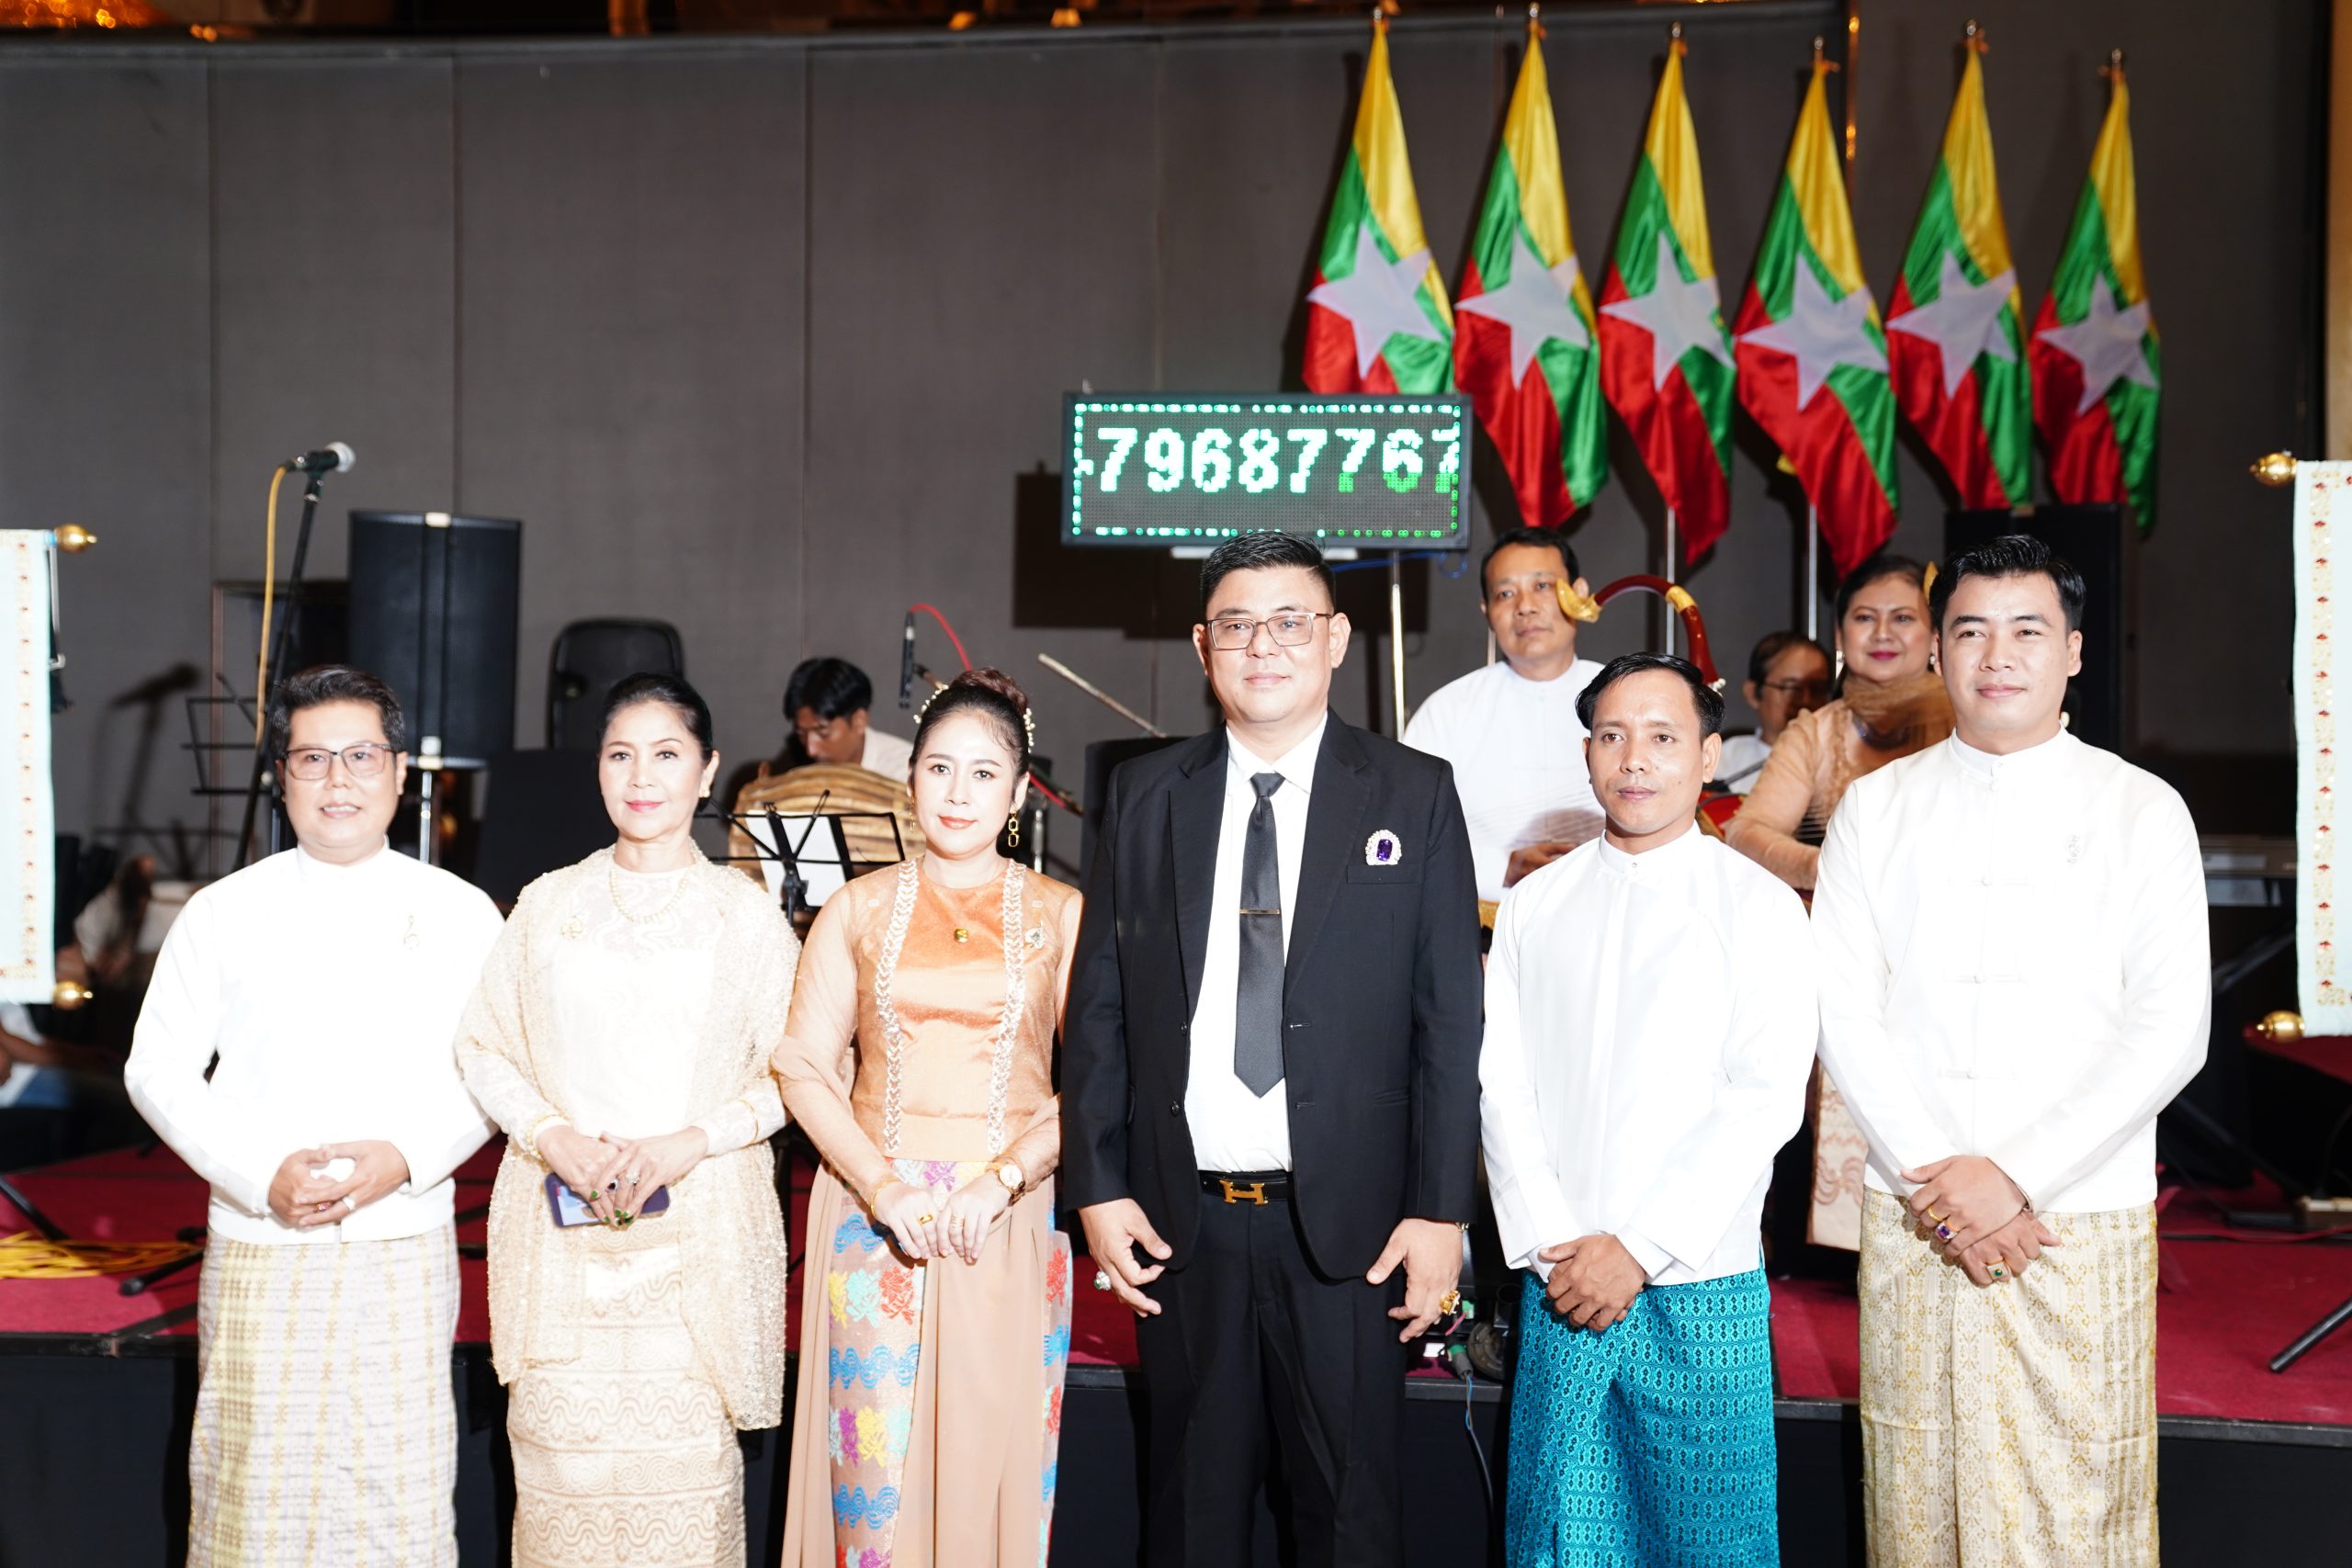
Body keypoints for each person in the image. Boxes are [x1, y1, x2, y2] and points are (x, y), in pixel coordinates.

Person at [1063, 532, 1483, 1568]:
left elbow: (1448, 1020)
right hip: (1182, 1223)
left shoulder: (1414, 791)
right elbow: (1100, 1004)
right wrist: (1098, 1186)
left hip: (1351, 1233)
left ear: (1336, 639)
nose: (1264, 646)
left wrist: (1441, 1211)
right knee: (1191, 1520)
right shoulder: (1145, 793)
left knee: (1350, 1522)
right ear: (1202, 646)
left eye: (1290, 622)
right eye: (1238, 625)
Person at [1814, 536, 2208, 1567]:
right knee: (1919, 1499)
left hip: (2073, 1213)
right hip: (1919, 1210)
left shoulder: (2140, 808)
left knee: (2077, 1506)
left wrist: (2016, 1176)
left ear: (2072, 650)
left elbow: (2172, 1027)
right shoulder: (1875, 808)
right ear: (1937, 651)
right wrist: (1941, 1182)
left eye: (2027, 630)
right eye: (1970, 631)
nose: (1997, 656)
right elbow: (1841, 1010)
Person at [122, 664, 504, 1568]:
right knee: (254, 1497)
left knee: (396, 1495)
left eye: (362, 756)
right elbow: (157, 1068)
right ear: (282, 776)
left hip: (401, 1238)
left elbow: (494, 1069)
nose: (339, 780)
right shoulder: (222, 911)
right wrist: (260, 1176)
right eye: (313, 758)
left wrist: (406, 1155)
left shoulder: (459, 912)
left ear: (400, 772)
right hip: (263, 1241)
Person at [1480, 652, 1815, 1565]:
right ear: (1587, 753)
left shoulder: (1758, 907)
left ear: (1708, 756)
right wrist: (1553, 1238)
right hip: (1562, 1277)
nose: (1634, 758)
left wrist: (1637, 1247)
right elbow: (1501, 1084)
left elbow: (1764, 1098)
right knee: (1558, 1532)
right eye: (1612, 735)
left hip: (1698, 1278)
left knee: (1709, 1538)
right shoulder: (1534, 903)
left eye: (1663, 737)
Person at [455, 673, 797, 1568]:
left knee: (685, 1505)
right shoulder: (547, 905)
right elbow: (483, 1046)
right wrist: (551, 1136)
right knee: (560, 1500)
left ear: (708, 770)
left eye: (666, 753)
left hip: (694, 1260)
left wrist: (691, 1143)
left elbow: (797, 1076)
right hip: (563, 1253)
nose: (641, 776)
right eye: (620, 754)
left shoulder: (746, 917)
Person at [774, 667, 1081, 1568]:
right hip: (876, 1223)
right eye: (939, 767)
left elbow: (1102, 1082)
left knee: (990, 1478)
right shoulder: (855, 908)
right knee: (871, 1495)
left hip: (1004, 1217)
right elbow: (802, 1064)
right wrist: (883, 1187)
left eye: (985, 773)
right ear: (909, 778)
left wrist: (1004, 1178)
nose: (958, 792)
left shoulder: (1061, 913)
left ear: (1019, 793)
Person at [1725, 554, 1955, 1254]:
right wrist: (1832, 867)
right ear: (1840, 634)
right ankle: (1824, 1244)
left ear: (1935, 633)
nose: (1882, 633)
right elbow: (1746, 833)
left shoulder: (1969, 719)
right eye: (1864, 617)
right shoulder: (1817, 730)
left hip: (1950, 945)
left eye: (1903, 617)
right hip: (1844, 944)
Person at [1402, 525, 1605, 899]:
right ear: (1486, 611)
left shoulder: (1624, 696)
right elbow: (1407, 826)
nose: (1525, 606)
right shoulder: (1448, 711)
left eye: (1542, 586)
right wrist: (1503, 868)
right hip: (1485, 921)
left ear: (1578, 593)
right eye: (1505, 593)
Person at [729, 656, 922, 887]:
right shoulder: (795, 764)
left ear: (858, 721)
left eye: (823, 732)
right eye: (802, 734)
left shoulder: (904, 771)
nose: (811, 748)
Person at [1714, 630, 1833, 796]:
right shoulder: (1722, 762)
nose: (1805, 700)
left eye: (1817, 689)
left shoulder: (1845, 759)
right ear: (1753, 693)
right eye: (1791, 687)